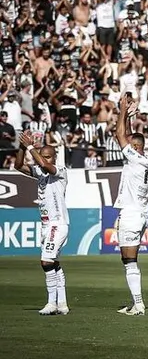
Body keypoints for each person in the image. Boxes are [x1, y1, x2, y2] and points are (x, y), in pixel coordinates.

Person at [14, 132, 69, 315]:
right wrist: (22, 146)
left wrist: (31, 147)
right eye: (42, 156)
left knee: (46, 261)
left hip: (57, 223)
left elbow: (45, 165)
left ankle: (51, 303)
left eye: (47, 156)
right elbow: (18, 166)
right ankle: (62, 303)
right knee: (54, 263)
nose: (43, 160)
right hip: (46, 225)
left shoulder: (60, 171)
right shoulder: (40, 173)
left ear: (54, 157)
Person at [112, 95, 148, 316]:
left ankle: (138, 305)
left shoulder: (134, 158)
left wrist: (121, 110)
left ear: (134, 147)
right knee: (130, 260)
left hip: (131, 214)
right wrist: (129, 116)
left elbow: (120, 135)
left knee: (129, 261)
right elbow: (127, 135)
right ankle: (136, 303)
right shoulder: (145, 159)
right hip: (141, 213)